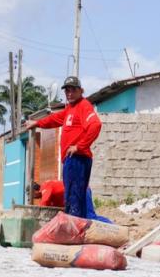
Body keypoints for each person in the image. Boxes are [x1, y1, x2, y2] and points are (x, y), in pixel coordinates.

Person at [25, 76, 103, 220]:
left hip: (77, 159)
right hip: (72, 160)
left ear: (81, 91)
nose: (70, 93)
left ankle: (73, 230)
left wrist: (79, 146)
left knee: (73, 200)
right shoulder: (70, 109)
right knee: (76, 201)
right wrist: (37, 123)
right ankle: (80, 229)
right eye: (67, 90)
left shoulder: (83, 106)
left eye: (73, 90)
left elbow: (95, 125)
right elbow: (54, 119)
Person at [33, 180, 113, 223]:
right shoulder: (49, 194)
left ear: (35, 191)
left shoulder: (46, 187)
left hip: (81, 190)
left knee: (89, 216)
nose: (34, 198)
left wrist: (34, 216)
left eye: (33, 195)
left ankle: (111, 225)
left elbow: (43, 204)